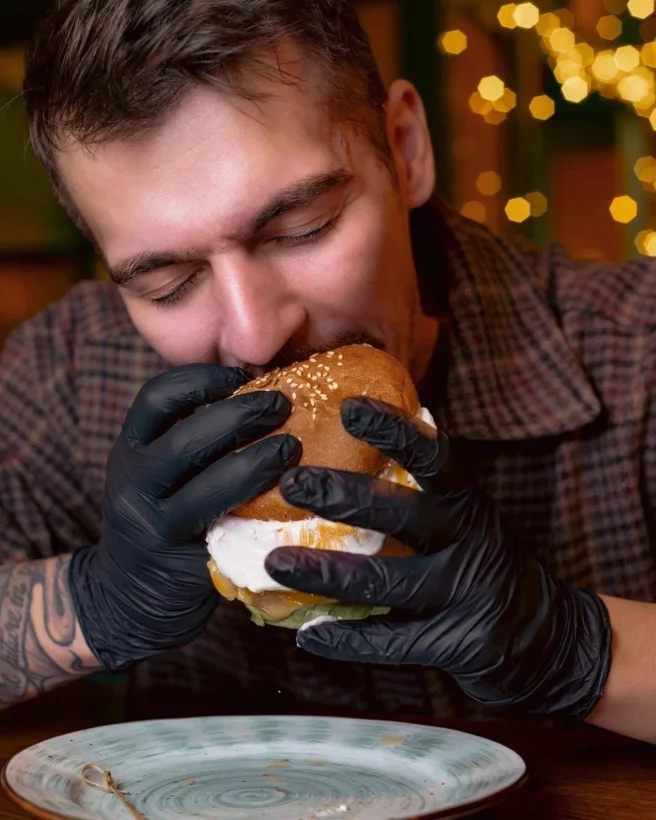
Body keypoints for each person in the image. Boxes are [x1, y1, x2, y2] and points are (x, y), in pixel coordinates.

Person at [0, 0, 653, 743]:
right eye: (167, 282)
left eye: (299, 228)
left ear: (404, 151)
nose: (254, 334)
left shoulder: (636, 353)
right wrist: (95, 602)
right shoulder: (65, 372)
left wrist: (571, 646)